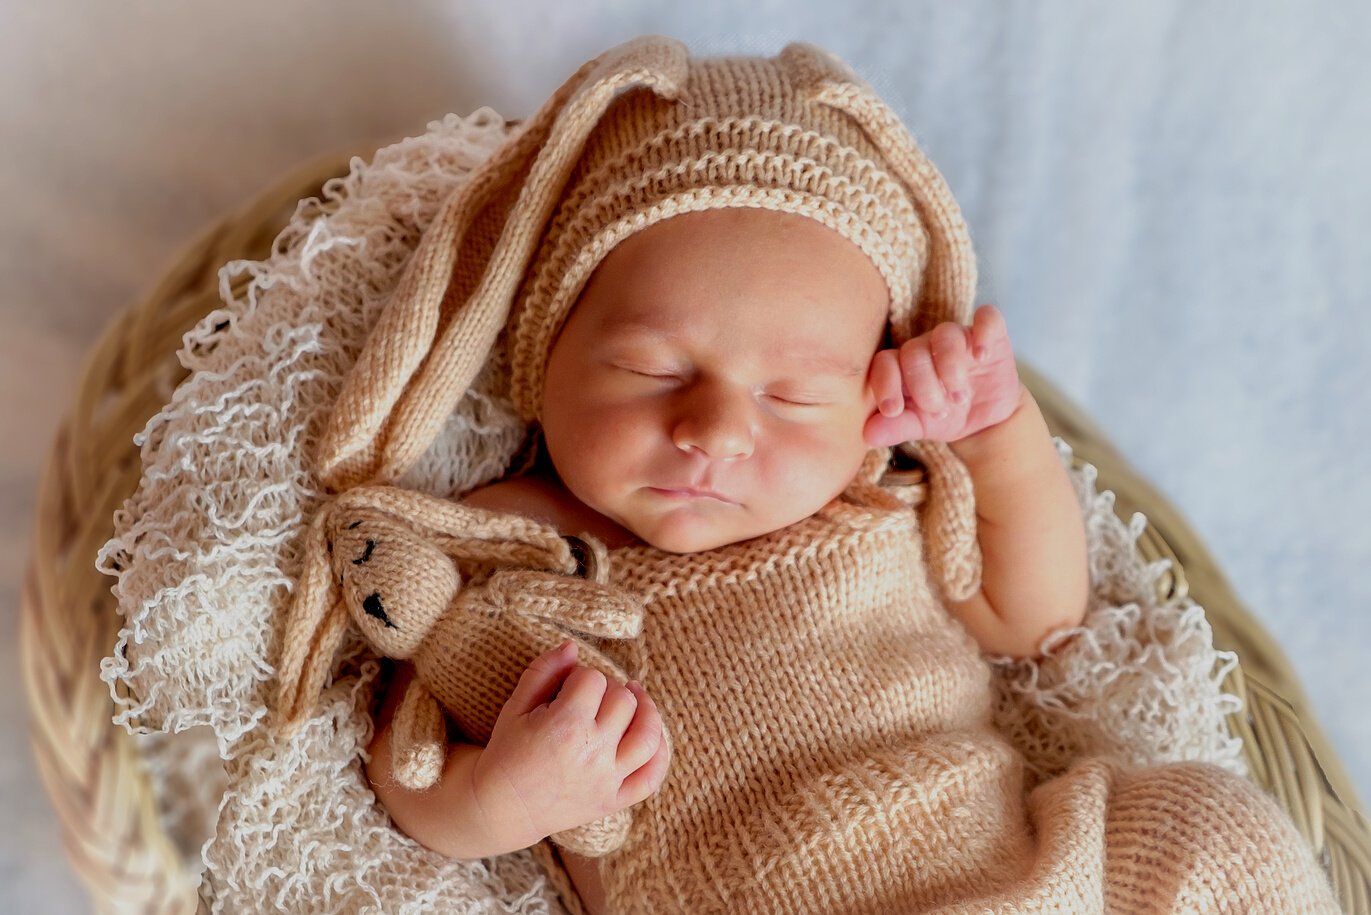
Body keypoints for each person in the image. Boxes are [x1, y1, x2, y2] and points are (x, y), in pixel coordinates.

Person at [309, 36, 1340, 914]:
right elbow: (407, 775)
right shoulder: (508, 546)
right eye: (649, 369)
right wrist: (501, 801)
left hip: (1020, 877)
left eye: (795, 396)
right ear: (544, 356)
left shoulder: (876, 492)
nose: (713, 429)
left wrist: (996, 433)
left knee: (1217, 833)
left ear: (865, 402)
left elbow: (1040, 620)